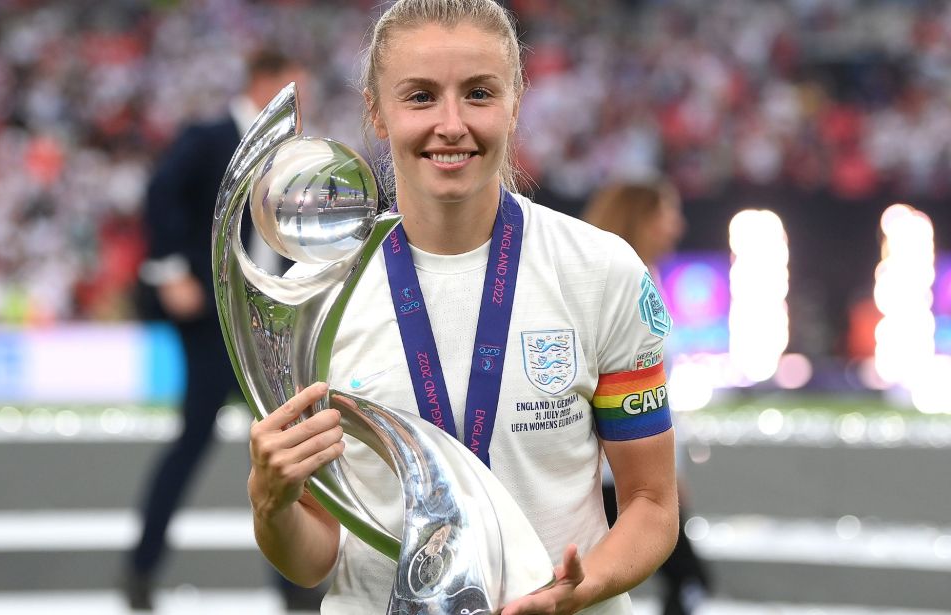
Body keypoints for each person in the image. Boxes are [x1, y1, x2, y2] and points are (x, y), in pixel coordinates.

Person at [247, 1, 679, 613]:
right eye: (420, 96)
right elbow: (315, 555)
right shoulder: (319, 296)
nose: (451, 124)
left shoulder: (598, 270)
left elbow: (652, 505)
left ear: (515, 101)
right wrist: (272, 505)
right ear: (376, 109)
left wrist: (575, 591)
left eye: (478, 93)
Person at [125, 49, 324, 611]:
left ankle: (294, 584)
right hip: (211, 319)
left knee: (279, 446)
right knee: (196, 439)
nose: (299, 103)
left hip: (269, 322)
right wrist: (170, 271)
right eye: (293, 89)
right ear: (264, 83)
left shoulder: (293, 152)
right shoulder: (211, 136)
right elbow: (160, 193)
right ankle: (142, 566)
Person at [582, 181, 713, 615]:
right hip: (611, 472)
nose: (678, 226)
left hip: (629, 467)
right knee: (685, 580)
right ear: (642, 218)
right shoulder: (611, 285)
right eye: (668, 213)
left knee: (680, 580)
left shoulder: (642, 278)